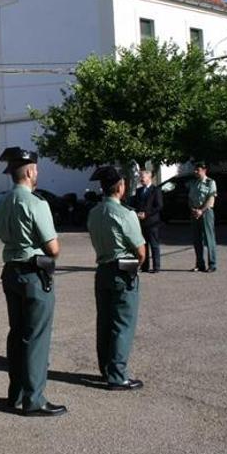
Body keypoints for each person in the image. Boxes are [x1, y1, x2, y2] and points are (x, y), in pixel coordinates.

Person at [0, 147, 65, 417]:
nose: (37, 173)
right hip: (33, 274)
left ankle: (16, 394)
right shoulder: (36, 203)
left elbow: (1, 235)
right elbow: (53, 248)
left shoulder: (3, 202)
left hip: (11, 270)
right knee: (36, 337)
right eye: (35, 169)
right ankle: (34, 399)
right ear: (29, 171)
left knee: (18, 335)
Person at [87, 166, 146, 391]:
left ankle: (106, 369)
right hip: (122, 272)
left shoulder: (94, 213)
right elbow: (141, 252)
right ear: (120, 187)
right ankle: (118, 375)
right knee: (122, 324)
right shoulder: (125, 213)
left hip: (102, 270)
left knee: (105, 322)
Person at [130, 170, 163, 273]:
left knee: (154, 244)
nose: (141, 179)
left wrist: (146, 214)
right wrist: (137, 213)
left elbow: (159, 206)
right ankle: (145, 266)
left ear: (149, 177)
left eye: (143, 177)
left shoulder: (155, 190)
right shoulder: (139, 190)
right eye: (140, 177)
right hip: (141, 222)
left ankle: (156, 267)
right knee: (143, 245)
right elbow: (135, 204)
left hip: (152, 222)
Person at [189, 162, 217, 273]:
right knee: (197, 240)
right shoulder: (194, 183)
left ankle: (212, 264)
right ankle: (200, 264)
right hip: (195, 212)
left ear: (204, 170)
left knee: (209, 239)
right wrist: (193, 209)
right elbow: (190, 198)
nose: (196, 171)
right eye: (195, 170)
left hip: (206, 212)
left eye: (198, 170)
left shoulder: (210, 182)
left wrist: (201, 210)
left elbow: (211, 199)